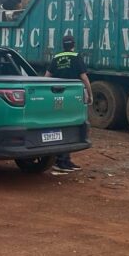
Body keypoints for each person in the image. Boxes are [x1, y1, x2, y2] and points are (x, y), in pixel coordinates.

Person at [45, 34, 93, 173]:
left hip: (57, 96)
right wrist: (90, 94)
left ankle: (64, 160)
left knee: (60, 125)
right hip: (72, 97)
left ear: (63, 45)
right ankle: (62, 161)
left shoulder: (56, 57)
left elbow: (47, 77)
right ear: (73, 45)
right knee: (69, 126)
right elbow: (84, 77)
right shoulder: (76, 57)